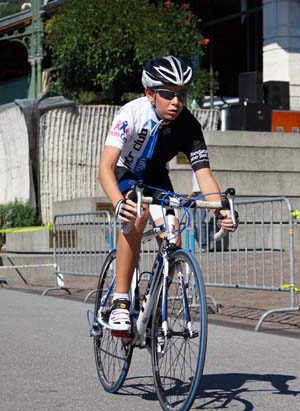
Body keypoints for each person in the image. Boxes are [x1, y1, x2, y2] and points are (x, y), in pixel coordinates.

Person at [97, 55, 236, 333]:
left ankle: (152, 302)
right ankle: (121, 299)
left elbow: (203, 174)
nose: (176, 102)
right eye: (168, 94)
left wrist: (220, 207)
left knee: (173, 238)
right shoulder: (131, 113)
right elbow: (105, 167)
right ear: (150, 93)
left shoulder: (189, 125)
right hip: (126, 173)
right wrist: (119, 203)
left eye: (182, 95)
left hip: (156, 177)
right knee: (138, 214)